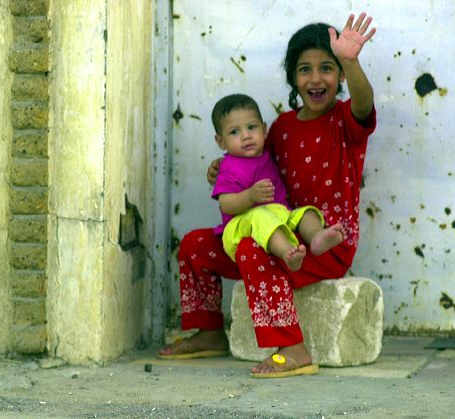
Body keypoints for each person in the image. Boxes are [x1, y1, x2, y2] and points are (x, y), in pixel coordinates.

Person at [159, 12, 377, 379]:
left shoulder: (345, 121)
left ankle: (292, 346)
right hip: (277, 239)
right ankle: (209, 331)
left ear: (339, 76)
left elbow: (364, 102)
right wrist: (222, 169)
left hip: (325, 247)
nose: (316, 78)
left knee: (250, 249)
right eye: (305, 69)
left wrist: (351, 61)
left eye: (328, 67)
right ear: (293, 77)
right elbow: (253, 165)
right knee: (195, 245)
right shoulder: (281, 127)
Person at [210, 93, 345, 273]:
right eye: (234, 132)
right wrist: (249, 196)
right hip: (239, 225)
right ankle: (288, 253)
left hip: (278, 214)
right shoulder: (228, 166)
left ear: (264, 130)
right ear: (221, 141)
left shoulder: (264, 154)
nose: (246, 136)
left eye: (252, 127)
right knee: (261, 217)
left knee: (305, 212)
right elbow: (226, 204)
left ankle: (316, 238)